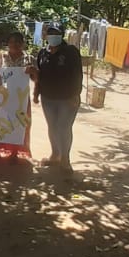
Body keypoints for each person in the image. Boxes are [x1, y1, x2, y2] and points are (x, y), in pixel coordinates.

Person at [32, 22, 83, 172]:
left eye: (56, 33)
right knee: (52, 127)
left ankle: (65, 159)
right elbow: (39, 76)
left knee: (64, 127)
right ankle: (55, 155)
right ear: (46, 35)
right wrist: (36, 93)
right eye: (51, 33)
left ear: (62, 35)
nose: (53, 36)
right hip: (48, 98)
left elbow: (77, 74)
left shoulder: (70, 52)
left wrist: (76, 94)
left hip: (67, 98)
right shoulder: (43, 53)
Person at [0, 32, 37, 164]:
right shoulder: (1, 58)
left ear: (23, 44)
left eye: (18, 42)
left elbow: (36, 78)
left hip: (20, 100)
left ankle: (15, 152)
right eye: (12, 41)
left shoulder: (29, 59)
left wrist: (33, 72)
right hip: (3, 98)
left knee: (19, 124)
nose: (15, 44)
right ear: (8, 43)